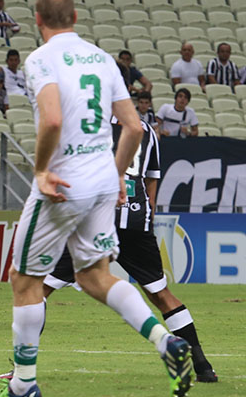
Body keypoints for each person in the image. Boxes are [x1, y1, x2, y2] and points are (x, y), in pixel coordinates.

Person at [0, 0, 191, 397]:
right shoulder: (102, 58)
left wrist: (41, 171)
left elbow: (52, 120)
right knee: (95, 276)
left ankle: (23, 386)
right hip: (102, 183)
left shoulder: (41, 59)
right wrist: (117, 175)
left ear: (37, 20)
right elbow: (133, 127)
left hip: (64, 184)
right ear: (75, 17)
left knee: (24, 280)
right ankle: (165, 340)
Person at [42, 116, 218, 383]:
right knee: (161, 294)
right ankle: (203, 365)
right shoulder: (146, 129)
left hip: (95, 218)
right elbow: (151, 181)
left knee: (38, 289)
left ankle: (22, 371)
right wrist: (148, 219)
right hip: (136, 220)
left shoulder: (90, 121)